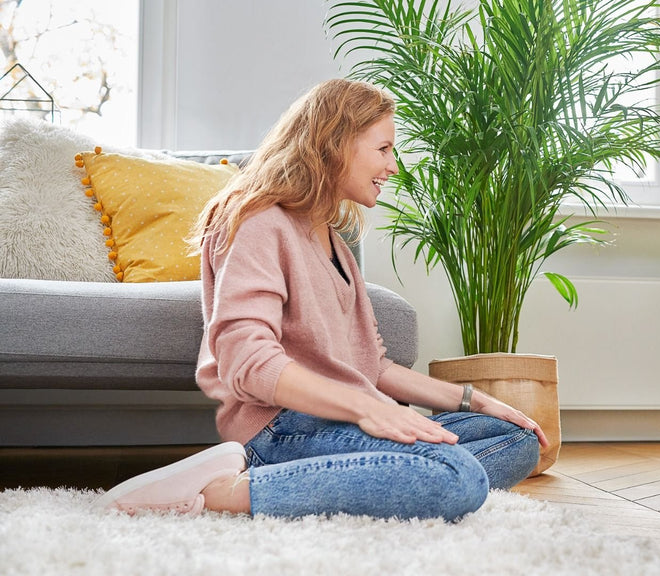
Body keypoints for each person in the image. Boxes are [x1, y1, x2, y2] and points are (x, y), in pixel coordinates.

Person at [95, 78, 546, 521]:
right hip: (282, 427)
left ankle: (326, 480)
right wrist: (368, 409)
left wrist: (476, 400)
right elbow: (247, 362)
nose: (393, 166)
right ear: (336, 144)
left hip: (338, 418)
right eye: (384, 149)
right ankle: (225, 491)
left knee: (513, 438)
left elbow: (373, 366)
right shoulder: (258, 221)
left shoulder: (335, 245)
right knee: (460, 477)